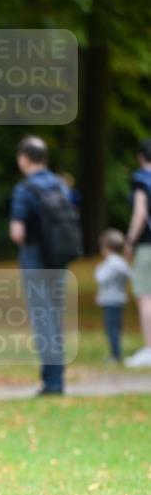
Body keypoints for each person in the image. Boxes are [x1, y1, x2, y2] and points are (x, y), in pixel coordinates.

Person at [9, 136, 70, 395]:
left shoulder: (24, 189)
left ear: (24, 158)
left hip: (34, 257)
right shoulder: (61, 186)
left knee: (42, 318)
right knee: (55, 317)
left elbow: (17, 232)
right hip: (59, 257)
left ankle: (52, 382)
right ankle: (57, 378)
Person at [123, 139, 151, 368]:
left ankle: (149, 348)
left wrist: (130, 240)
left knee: (145, 297)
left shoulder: (141, 179)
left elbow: (140, 212)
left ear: (141, 157)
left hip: (147, 246)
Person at [95, 229, 131, 363]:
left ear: (106, 248)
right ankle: (116, 352)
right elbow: (129, 276)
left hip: (110, 300)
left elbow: (101, 278)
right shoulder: (122, 263)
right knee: (117, 327)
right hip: (120, 299)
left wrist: (98, 268)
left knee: (111, 329)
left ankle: (115, 355)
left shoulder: (109, 263)